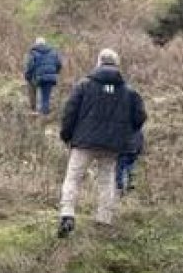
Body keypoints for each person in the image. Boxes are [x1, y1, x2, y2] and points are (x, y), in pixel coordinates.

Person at [57, 49, 146, 238]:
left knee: (73, 177)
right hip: (112, 145)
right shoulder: (129, 91)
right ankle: (104, 219)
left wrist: (66, 135)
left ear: (98, 62)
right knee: (107, 180)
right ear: (117, 64)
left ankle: (67, 215)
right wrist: (124, 133)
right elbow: (140, 117)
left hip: (83, 142)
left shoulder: (84, 85)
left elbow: (69, 112)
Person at [24, 37, 63, 115]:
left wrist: (27, 75)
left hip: (39, 77)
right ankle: (45, 114)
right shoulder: (53, 52)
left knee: (39, 97)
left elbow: (30, 66)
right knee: (46, 97)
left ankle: (40, 115)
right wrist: (55, 72)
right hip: (50, 77)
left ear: (36, 44)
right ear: (45, 44)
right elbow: (59, 64)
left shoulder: (33, 53)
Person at [116, 127, 144, 196]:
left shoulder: (122, 127)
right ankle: (131, 185)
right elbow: (141, 140)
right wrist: (139, 151)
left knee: (120, 169)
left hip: (123, 152)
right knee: (131, 168)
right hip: (134, 151)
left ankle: (120, 187)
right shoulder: (138, 128)